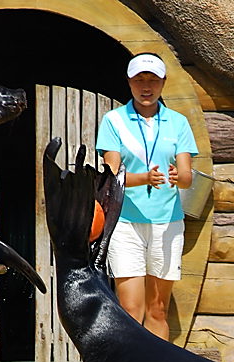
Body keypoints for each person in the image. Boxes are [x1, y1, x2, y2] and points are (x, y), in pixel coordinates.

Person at [96, 52, 198, 340]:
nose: (146, 86)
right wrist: (143, 179)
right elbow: (110, 176)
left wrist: (181, 176)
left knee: (158, 310)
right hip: (126, 223)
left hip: (167, 224)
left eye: (152, 80)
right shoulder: (114, 121)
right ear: (129, 82)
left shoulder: (177, 122)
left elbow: (188, 176)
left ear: (163, 82)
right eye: (139, 79)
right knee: (129, 310)